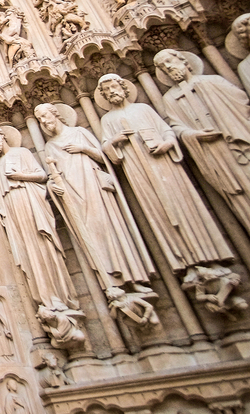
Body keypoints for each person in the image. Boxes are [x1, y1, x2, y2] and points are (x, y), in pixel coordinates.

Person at [96, 74, 234, 273]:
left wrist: (166, 144)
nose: (111, 92)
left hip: (165, 165)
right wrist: (115, 140)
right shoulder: (108, 119)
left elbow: (167, 131)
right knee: (157, 211)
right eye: (106, 90)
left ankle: (210, 254)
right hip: (138, 170)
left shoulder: (143, 109)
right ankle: (185, 262)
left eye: (114, 86)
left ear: (124, 87)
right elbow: (108, 149)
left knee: (184, 204)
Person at [34, 103, 153, 292]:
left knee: (109, 228)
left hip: (93, 187)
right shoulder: (49, 146)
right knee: (91, 235)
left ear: (55, 113)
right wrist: (54, 186)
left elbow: (103, 157)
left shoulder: (79, 133)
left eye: (44, 115)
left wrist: (83, 148)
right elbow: (52, 175)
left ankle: (133, 277)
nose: (43, 121)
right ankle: (111, 283)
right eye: (39, 119)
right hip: (73, 195)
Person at [153, 49, 250, 234]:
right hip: (212, 153)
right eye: (164, 68)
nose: (169, 68)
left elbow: (243, 104)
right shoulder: (170, 98)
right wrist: (194, 135)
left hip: (238, 143)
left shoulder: (213, 81)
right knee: (237, 196)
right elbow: (177, 126)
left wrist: (228, 122)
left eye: (169, 61)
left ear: (183, 60)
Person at [0, 124, 75, 309]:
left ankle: (58, 297)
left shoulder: (22, 153)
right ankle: (42, 298)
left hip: (31, 204)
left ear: (3, 135)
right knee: (26, 253)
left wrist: (19, 175)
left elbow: (42, 175)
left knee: (41, 245)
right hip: (13, 212)